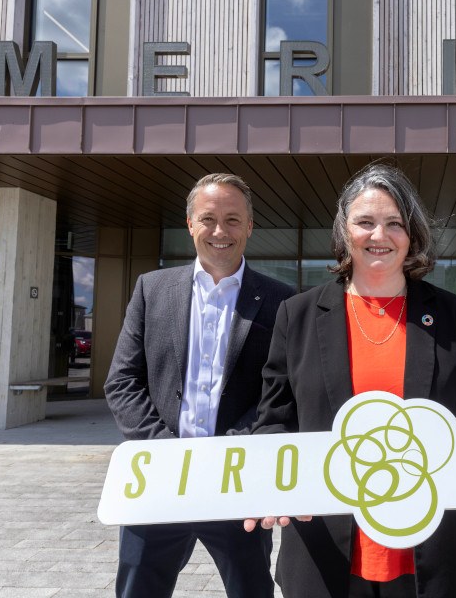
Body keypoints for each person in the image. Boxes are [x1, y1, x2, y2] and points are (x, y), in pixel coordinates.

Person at [246, 163, 456, 598]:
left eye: (394, 224)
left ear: (412, 235)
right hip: (325, 554)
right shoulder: (298, 315)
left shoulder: (452, 315)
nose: (378, 236)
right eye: (365, 222)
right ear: (345, 232)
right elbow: (275, 420)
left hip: (431, 557)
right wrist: (271, 485)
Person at [104, 173, 295, 598]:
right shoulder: (152, 289)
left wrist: (227, 450)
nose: (219, 231)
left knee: (250, 589)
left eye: (232, 219)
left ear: (250, 226)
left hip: (236, 483)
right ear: (190, 223)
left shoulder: (283, 301)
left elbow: (280, 393)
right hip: (158, 483)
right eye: (208, 218)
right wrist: (166, 452)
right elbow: (122, 382)